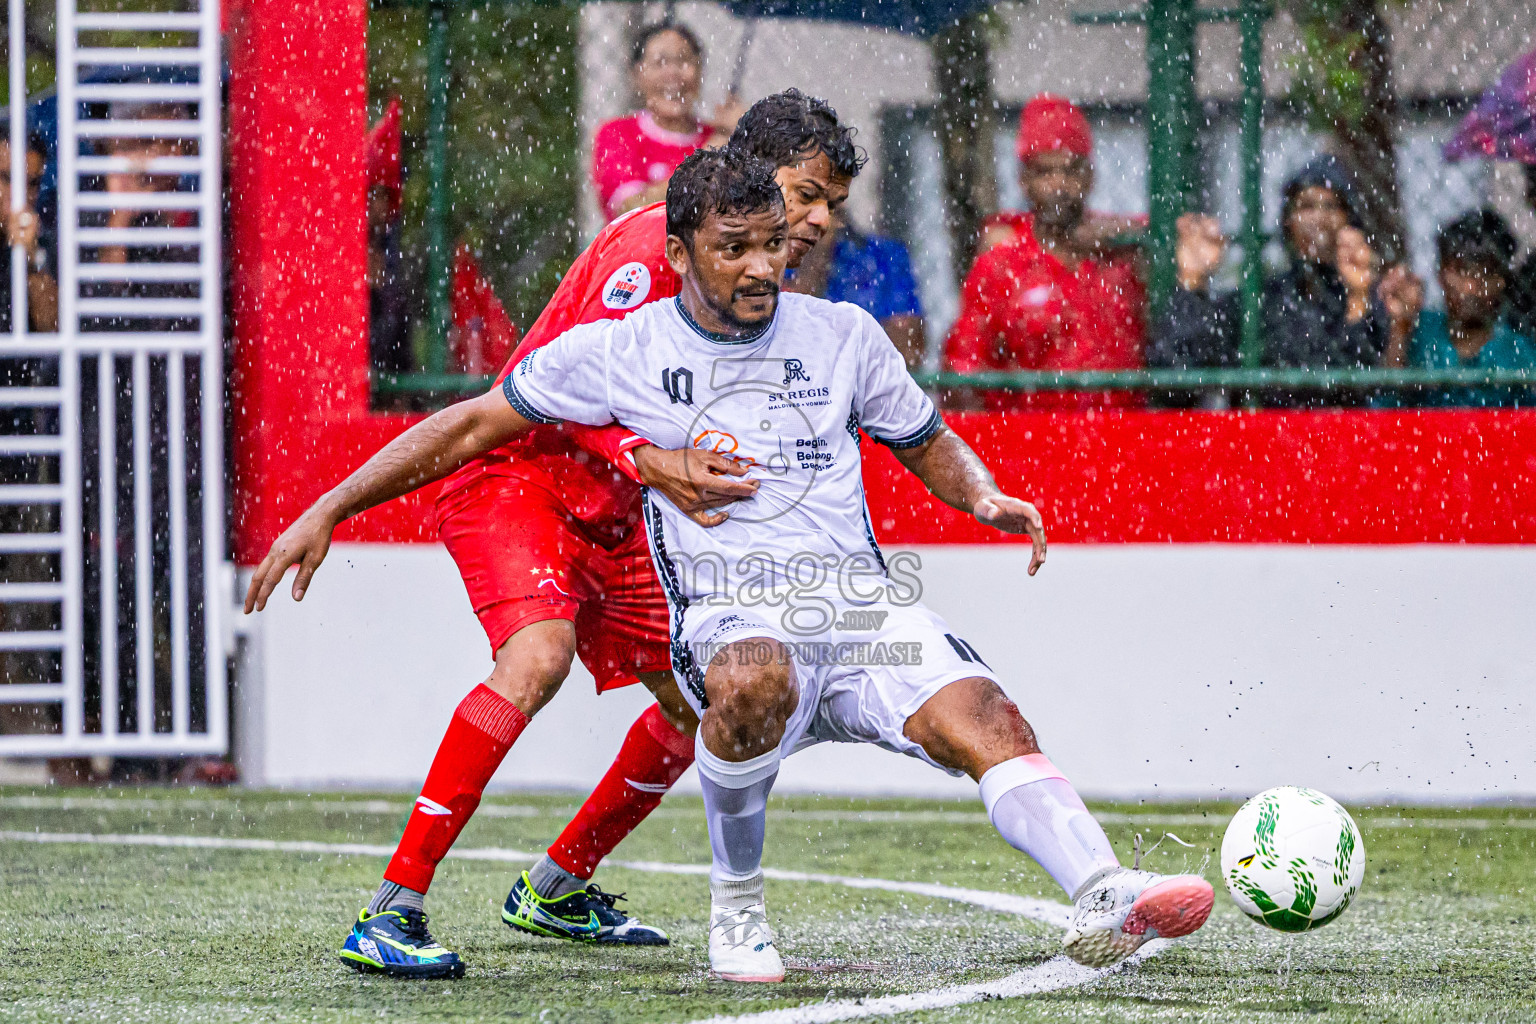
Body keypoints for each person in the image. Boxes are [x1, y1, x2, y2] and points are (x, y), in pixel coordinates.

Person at [248, 146, 1214, 984]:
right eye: (736, 248)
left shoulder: (843, 335)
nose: (766, 265)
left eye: (775, 243)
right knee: (745, 681)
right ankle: (734, 905)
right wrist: (331, 505)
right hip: (730, 615)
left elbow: (924, 438)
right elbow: (471, 423)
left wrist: (982, 493)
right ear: (679, 255)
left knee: (988, 717)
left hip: (858, 606)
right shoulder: (624, 347)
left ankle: (1103, 892)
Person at [244, 90, 865, 980]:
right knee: (536, 658)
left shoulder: (760, 287)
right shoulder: (654, 255)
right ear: (750, 171)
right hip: (520, 484)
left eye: (829, 205)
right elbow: (502, 412)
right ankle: (391, 909)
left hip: (618, 515)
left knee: (703, 704)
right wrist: (333, 505)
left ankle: (559, 884)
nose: (816, 219)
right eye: (806, 192)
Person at [1152, 155, 1420, 405]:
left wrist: (1358, 301)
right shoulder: (1261, 302)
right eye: (1306, 206)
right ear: (1288, 221)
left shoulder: (1375, 300)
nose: (1318, 218)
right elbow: (1175, 378)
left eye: (1331, 206)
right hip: (1263, 446)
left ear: (1348, 220)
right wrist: (1192, 281)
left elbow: (1371, 392)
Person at [944, 94, 1146, 411]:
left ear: (1090, 176)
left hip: (1123, 439)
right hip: (1030, 443)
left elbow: (1177, 236)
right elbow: (963, 371)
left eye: (1070, 170)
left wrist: (1118, 236)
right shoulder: (1001, 263)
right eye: (1044, 172)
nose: (1059, 185)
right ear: (1024, 180)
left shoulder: (1126, 254)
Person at [1379, 208, 1536, 407]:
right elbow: (1387, 408)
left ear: (1502, 281)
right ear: (1441, 274)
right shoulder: (1420, 330)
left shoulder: (1518, 352)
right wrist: (1400, 328)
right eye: (1461, 271)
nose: (1471, 287)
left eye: (1484, 275)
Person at [591, 21, 741, 222]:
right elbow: (632, 211)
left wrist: (747, 135)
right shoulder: (618, 134)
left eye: (684, 61)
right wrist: (709, 156)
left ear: (700, 71)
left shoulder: (723, 136)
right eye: (660, 62)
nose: (673, 74)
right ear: (638, 74)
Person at [784, 207, 926, 369]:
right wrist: (815, 258)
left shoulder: (884, 256)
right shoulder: (774, 259)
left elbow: (909, 353)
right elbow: (784, 341)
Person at [0, 129, 58, 333]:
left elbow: (52, 330)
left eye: (32, 184)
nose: (20, 195)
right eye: (7, 178)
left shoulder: (46, 242)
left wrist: (32, 260)